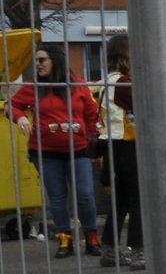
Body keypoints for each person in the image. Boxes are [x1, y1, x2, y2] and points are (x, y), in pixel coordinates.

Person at [8, 44, 102, 260]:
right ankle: (64, 238)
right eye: (37, 60)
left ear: (56, 61)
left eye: (42, 60)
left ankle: (91, 237)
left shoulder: (77, 84)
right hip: (46, 152)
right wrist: (19, 116)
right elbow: (12, 105)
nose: (38, 64)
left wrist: (94, 139)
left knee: (85, 194)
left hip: (78, 150)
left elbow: (91, 112)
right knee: (57, 198)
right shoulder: (33, 86)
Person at [96, 34, 144, 269]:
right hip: (127, 145)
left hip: (112, 146)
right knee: (137, 201)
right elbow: (144, 107)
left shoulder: (109, 80)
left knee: (121, 201)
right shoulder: (124, 83)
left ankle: (109, 248)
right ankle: (138, 251)